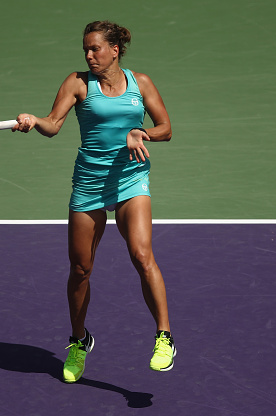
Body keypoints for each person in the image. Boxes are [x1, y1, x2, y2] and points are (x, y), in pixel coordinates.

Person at [12, 20, 175, 383]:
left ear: (114, 50)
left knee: (141, 254)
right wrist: (33, 120)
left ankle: (164, 337)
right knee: (81, 269)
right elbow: (53, 124)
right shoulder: (77, 82)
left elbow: (165, 127)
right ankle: (78, 341)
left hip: (131, 180)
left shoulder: (141, 83)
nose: (89, 55)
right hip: (89, 184)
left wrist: (141, 131)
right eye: (86, 49)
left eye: (95, 49)